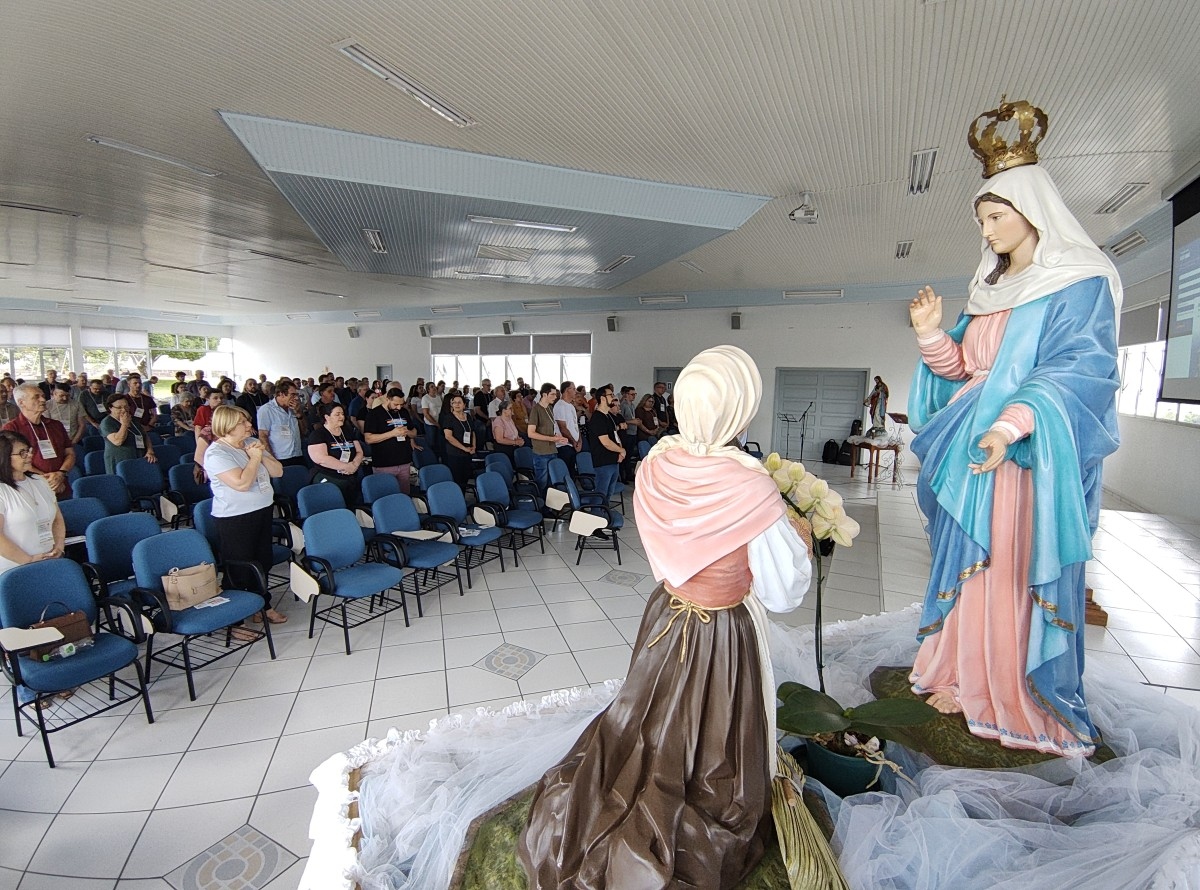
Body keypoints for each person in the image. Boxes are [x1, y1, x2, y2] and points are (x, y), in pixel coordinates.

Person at [519, 345, 812, 889]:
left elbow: (662, 551)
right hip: (720, 628)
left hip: (664, 615)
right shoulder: (750, 486)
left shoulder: (656, 463)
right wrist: (796, 538)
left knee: (646, 720)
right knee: (713, 734)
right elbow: (782, 592)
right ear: (739, 409)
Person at [907, 155, 1122, 757]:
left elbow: (1081, 371)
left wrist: (1010, 424)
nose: (988, 231)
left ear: (1034, 211)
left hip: (1025, 460)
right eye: (983, 220)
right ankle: (961, 669)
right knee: (970, 566)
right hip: (971, 452)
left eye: (997, 216)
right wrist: (930, 334)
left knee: (1009, 565)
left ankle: (1010, 683)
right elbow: (963, 375)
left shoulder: (1079, 282)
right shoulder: (990, 289)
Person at [202, 405, 286, 629]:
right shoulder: (216, 453)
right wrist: (255, 458)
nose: (250, 425)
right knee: (239, 569)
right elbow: (242, 483)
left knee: (263, 562)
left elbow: (278, 471)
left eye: (248, 420)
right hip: (235, 519)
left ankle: (261, 605)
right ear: (227, 427)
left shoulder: (251, 444)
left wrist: (260, 453)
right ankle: (234, 622)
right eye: (243, 422)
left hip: (262, 511)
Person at [0, 431, 66, 573]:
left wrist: (59, 548)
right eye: (22, 453)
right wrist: (28, 560)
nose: (29, 455)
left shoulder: (41, 481)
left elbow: (57, 519)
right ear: (4, 457)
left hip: (49, 561)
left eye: (29, 450)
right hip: (13, 569)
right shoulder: (2, 491)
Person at [3, 384, 74, 500]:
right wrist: (47, 479)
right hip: (31, 488)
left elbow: (70, 453)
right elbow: (14, 461)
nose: (43, 399)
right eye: (36, 397)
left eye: (42, 396)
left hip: (61, 485)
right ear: (21, 402)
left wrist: (60, 474)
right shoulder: (11, 428)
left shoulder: (56, 425)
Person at [363, 388, 419, 494]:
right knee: (386, 494)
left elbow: (414, 432)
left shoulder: (403, 412)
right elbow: (368, 439)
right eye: (395, 404)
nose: (398, 407)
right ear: (387, 399)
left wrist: (406, 432)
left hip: (404, 461)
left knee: (404, 494)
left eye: (401, 404)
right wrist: (392, 433)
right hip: (384, 463)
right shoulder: (375, 414)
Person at [306, 402, 364, 501]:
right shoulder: (318, 434)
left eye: (342, 414)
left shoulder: (347, 432)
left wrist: (354, 465)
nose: (342, 416)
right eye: (337, 414)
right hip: (328, 477)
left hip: (350, 476)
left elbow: (359, 452)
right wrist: (346, 467)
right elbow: (321, 459)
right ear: (327, 417)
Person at [586, 387, 625, 505]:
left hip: (613, 460)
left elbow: (615, 436)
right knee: (601, 493)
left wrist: (619, 452)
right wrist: (621, 450)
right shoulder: (598, 417)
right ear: (602, 398)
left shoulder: (608, 416)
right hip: (603, 462)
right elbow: (605, 442)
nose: (613, 397)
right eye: (610, 395)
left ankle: (605, 516)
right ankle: (597, 516)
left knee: (608, 494)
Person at [100, 394, 158, 475]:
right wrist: (124, 424)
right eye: (119, 408)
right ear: (110, 408)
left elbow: (144, 435)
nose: (124, 410)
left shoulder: (132, 419)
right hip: (120, 462)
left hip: (138, 458)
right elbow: (118, 441)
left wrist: (150, 451)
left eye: (126, 406)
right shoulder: (107, 423)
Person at [527, 383, 567, 491]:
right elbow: (530, 433)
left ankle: (550, 504)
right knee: (542, 482)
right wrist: (552, 439)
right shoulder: (536, 410)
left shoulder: (549, 408)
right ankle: (541, 504)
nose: (555, 397)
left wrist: (557, 437)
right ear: (544, 395)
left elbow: (549, 430)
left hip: (551, 450)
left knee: (551, 481)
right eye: (552, 394)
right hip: (541, 452)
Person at [256, 379, 304, 468]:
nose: (296, 398)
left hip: (297, 454)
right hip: (280, 457)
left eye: (296, 395)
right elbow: (263, 436)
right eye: (292, 395)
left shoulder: (294, 408)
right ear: (281, 394)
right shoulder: (266, 410)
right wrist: (271, 459)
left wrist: (299, 414)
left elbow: (304, 431)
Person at [440, 394, 476, 490]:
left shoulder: (468, 416)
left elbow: (472, 432)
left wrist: (474, 446)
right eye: (454, 403)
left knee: (465, 478)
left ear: (464, 405)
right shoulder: (449, 417)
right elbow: (448, 436)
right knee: (457, 479)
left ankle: (463, 498)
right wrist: (464, 448)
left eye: (459, 402)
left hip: (468, 452)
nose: (456, 404)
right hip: (454, 453)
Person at [553, 381, 582, 474]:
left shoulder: (571, 406)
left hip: (573, 445)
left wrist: (579, 441)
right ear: (566, 390)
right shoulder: (560, 406)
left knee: (572, 472)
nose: (576, 391)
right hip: (564, 446)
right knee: (565, 473)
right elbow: (563, 428)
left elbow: (575, 425)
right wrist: (574, 442)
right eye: (573, 389)